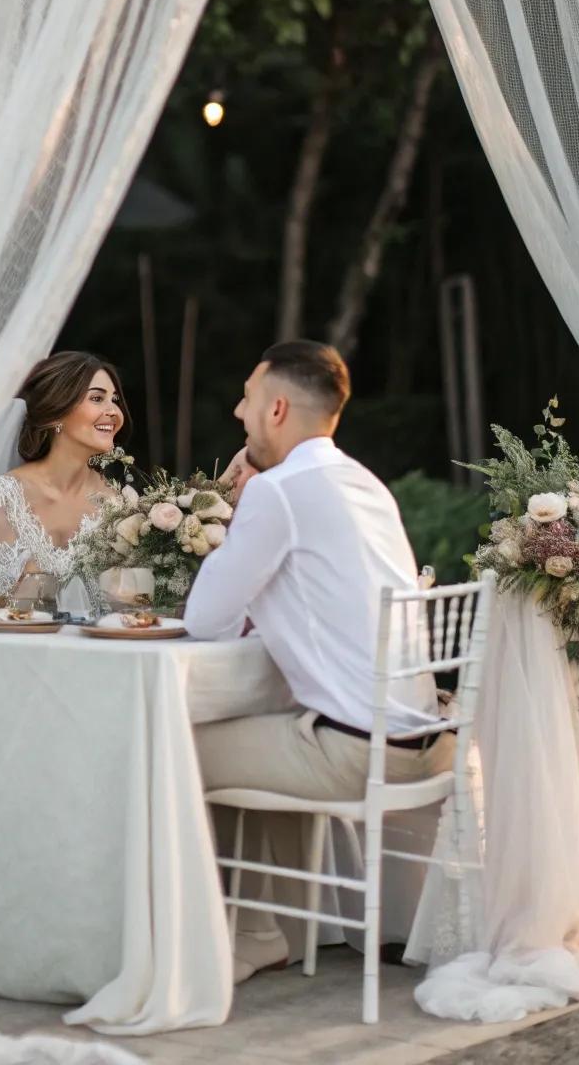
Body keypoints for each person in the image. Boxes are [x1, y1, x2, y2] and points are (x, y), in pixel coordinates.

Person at [184, 339, 450, 980]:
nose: (238, 410)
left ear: (276, 409)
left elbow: (203, 621)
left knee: (165, 743)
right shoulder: (364, 483)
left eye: (247, 398)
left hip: (359, 753)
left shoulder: (279, 492)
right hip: (428, 739)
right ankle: (262, 931)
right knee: (260, 732)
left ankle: (181, 943)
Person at [0, 351, 130, 606]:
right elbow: (8, 604)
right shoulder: (3, 499)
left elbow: (131, 601)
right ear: (56, 412)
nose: (113, 411)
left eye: (115, 400)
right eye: (97, 398)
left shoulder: (116, 504)